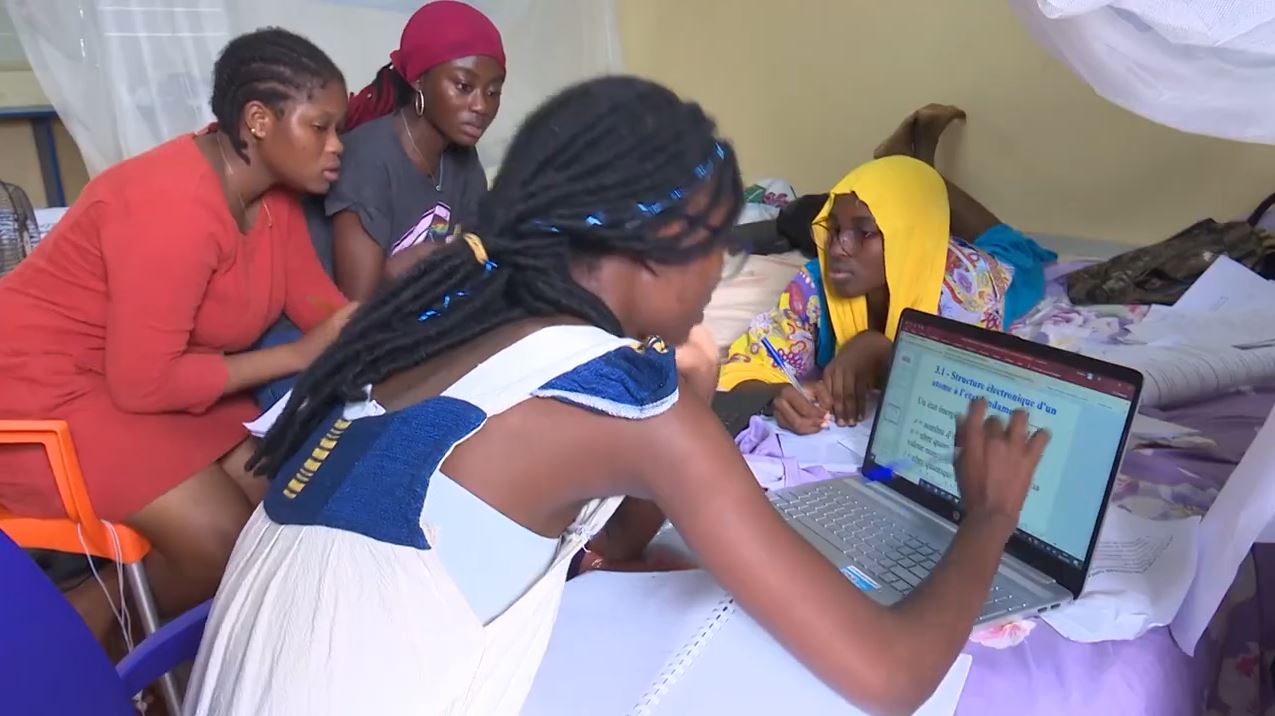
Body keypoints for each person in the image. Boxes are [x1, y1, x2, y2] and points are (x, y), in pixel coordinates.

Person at [185, 77, 1049, 716]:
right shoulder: (632, 405)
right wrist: (986, 518)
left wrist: (693, 398)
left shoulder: (435, 325)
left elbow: (593, 540)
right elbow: (894, 677)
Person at [0, 28, 355, 628]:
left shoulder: (273, 198)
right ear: (259, 120)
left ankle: (184, 657)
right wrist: (298, 355)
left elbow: (321, 307)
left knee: (278, 490)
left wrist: (415, 327)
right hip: (43, 390)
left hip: (131, 380)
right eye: (321, 128)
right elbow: (143, 382)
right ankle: (59, 668)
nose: (337, 146)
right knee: (220, 542)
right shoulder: (171, 206)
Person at [719, 105, 1057, 434]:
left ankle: (918, 167)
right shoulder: (815, 285)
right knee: (915, 200)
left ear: (906, 241)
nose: (838, 247)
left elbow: (967, 396)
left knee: (1016, 249)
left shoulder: (968, 290)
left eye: (864, 232)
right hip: (916, 242)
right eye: (833, 228)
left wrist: (881, 349)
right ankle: (911, 168)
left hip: (989, 269)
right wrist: (775, 395)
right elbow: (746, 366)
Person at [251, 0, 505, 408]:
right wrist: (421, 263)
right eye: (464, 86)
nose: (482, 105)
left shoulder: (464, 163)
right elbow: (357, 303)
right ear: (420, 81)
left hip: (397, 324)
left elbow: (475, 259)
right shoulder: (368, 158)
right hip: (314, 331)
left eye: (494, 92)